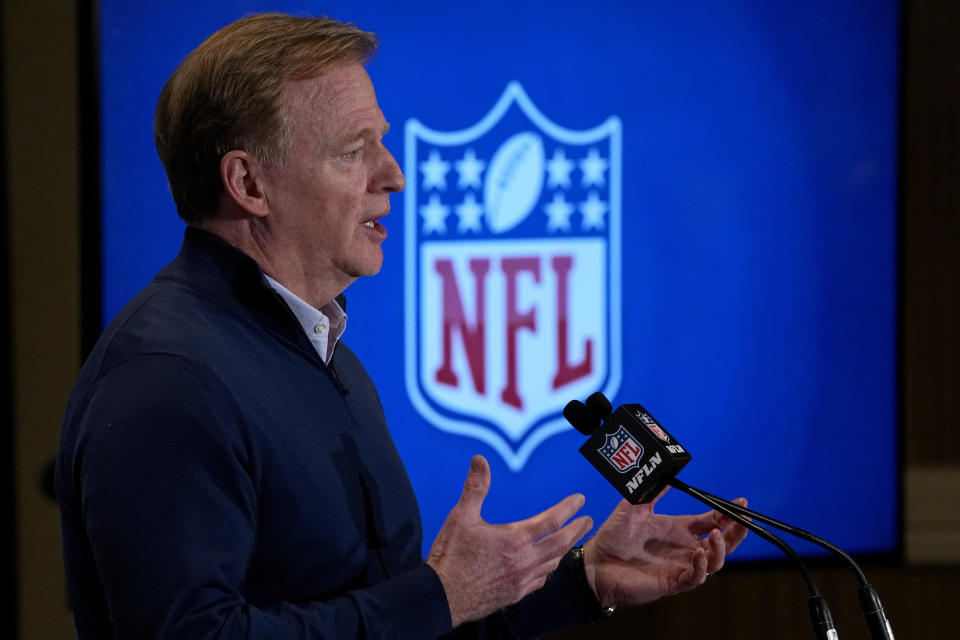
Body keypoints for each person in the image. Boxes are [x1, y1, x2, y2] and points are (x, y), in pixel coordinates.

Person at [56, 13, 748, 639]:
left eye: (380, 143)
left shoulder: (327, 358)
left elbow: (400, 628)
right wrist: (438, 594)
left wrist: (585, 581)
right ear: (250, 184)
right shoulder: (168, 380)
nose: (394, 175)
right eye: (354, 151)